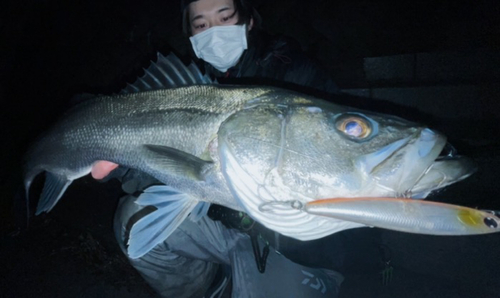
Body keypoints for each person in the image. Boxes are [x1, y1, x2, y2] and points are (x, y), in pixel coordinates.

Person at [112, 0, 383, 296]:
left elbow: (342, 152)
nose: (213, 32)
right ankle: (211, 287)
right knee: (133, 216)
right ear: (190, 34)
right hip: (220, 226)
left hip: (291, 246)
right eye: (201, 25)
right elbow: (171, 164)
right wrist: (125, 165)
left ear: (249, 20)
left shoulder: (296, 73)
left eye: (225, 17)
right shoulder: (183, 85)